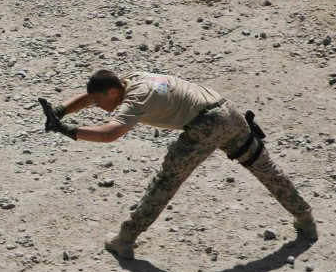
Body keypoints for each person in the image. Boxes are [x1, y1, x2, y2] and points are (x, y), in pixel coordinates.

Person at [40, 70, 317, 259]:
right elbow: (90, 95)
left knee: (167, 181)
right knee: (263, 167)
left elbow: (109, 134)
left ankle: (125, 239)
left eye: (102, 101)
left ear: (113, 92)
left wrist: (68, 130)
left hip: (204, 125)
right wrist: (60, 110)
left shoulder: (135, 100)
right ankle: (305, 219)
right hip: (228, 111)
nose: (98, 106)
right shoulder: (132, 79)